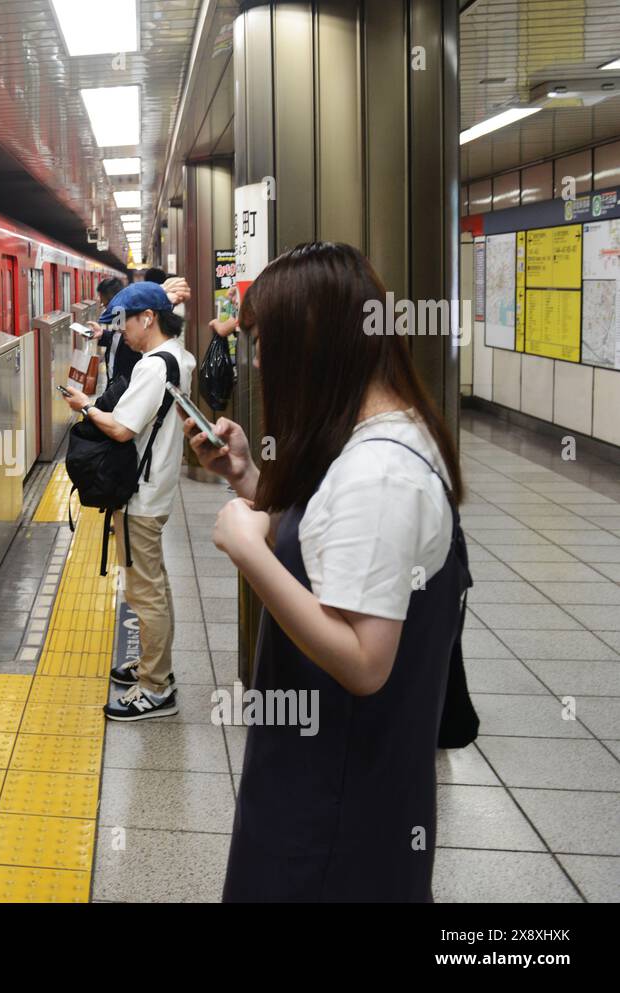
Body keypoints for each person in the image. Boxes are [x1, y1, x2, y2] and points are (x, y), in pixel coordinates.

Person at [185, 242, 468, 902]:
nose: (260, 366)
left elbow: (365, 659)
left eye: (266, 347)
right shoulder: (386, 438)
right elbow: (338, 552)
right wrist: (249, 479)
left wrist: (247, 549)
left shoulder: (379, 474)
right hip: (340, 786)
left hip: (333, 815)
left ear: (309, 347)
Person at [63, 282, 196, 721]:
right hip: (156, 486)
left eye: (124, 323)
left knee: (145, 592)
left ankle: (156, 689)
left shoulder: (154, 367)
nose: (122, 332)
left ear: (148, 318)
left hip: (140, 493)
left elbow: (121, 429)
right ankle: (156, 669)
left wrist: (84, 406)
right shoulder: (178, 356)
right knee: (153, 584)